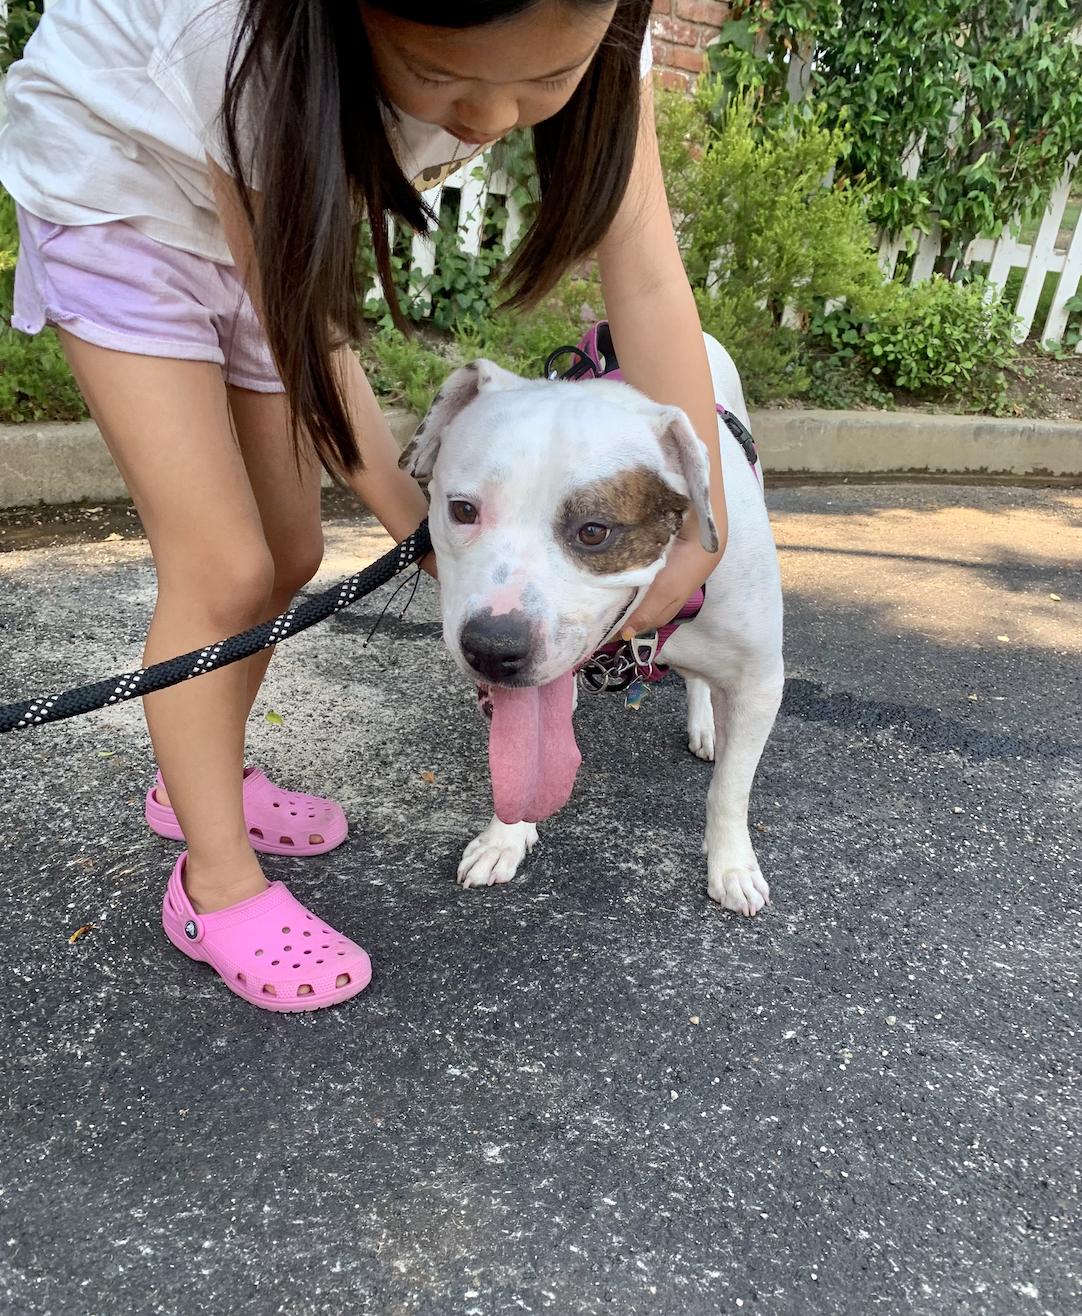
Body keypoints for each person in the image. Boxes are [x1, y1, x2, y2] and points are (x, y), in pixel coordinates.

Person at [0, 0, 727, 1011]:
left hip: (266, 209)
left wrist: (707, 519)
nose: (486, 119)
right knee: (223, 569)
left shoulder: (597, 19)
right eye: (438, 76)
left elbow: (643, 271)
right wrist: (413, 517)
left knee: (290, 547)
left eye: (541, 80)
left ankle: (194, 782)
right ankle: (215, 883)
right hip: (119, 194)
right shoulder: (234, 33)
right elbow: (305, 322)